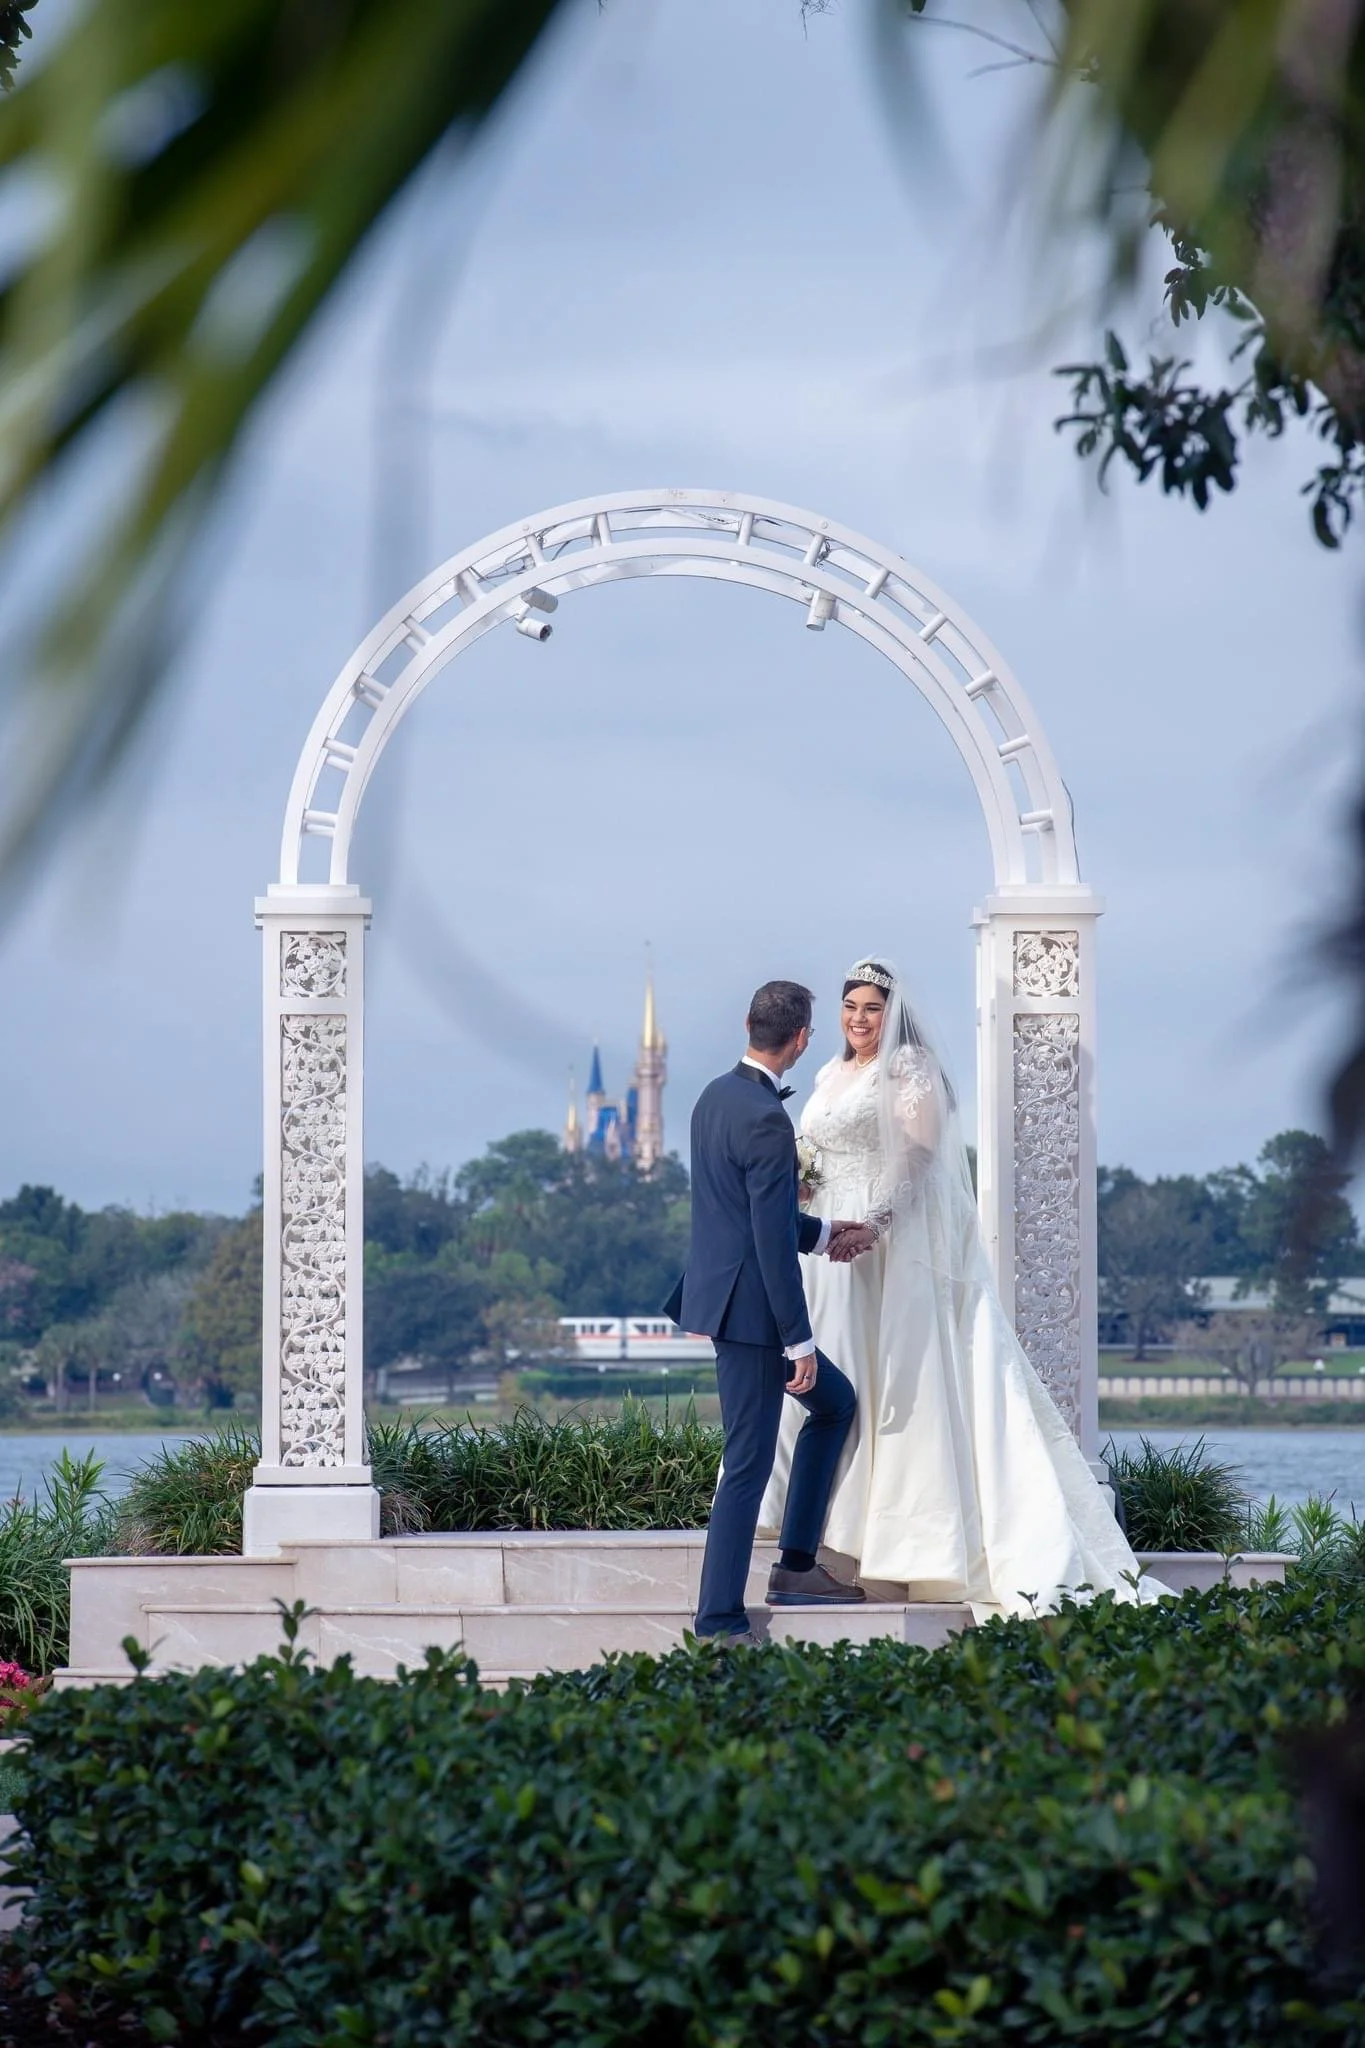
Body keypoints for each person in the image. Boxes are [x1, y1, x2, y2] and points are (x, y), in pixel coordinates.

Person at [757, 957, 1161, 1615]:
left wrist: (877, 1223)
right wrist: (804, 1191)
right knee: (834, 1379)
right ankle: (827, 1537)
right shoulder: (830, 1074)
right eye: (849, 1006)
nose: (859, 1019)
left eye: (872, 1008)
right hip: (825, 1241)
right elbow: (818, 1152)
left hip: (885, 1241)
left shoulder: (910, 1070)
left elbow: (916, 1154)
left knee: (893, 1380)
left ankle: (904, 1540)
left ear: (894, 1014)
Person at [664, 979, 867, 1643]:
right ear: (802, 1038)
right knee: (747, 1464)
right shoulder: (763, 1117)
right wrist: (798, 1341)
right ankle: (717, 1618)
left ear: (749, 1024)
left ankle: (798, 1566)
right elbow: (765, 1242)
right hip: (752, 1316)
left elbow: (764, 1218)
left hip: (729, 1300)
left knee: (835, 1405)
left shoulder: (712, 1096)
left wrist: (825, 1230)